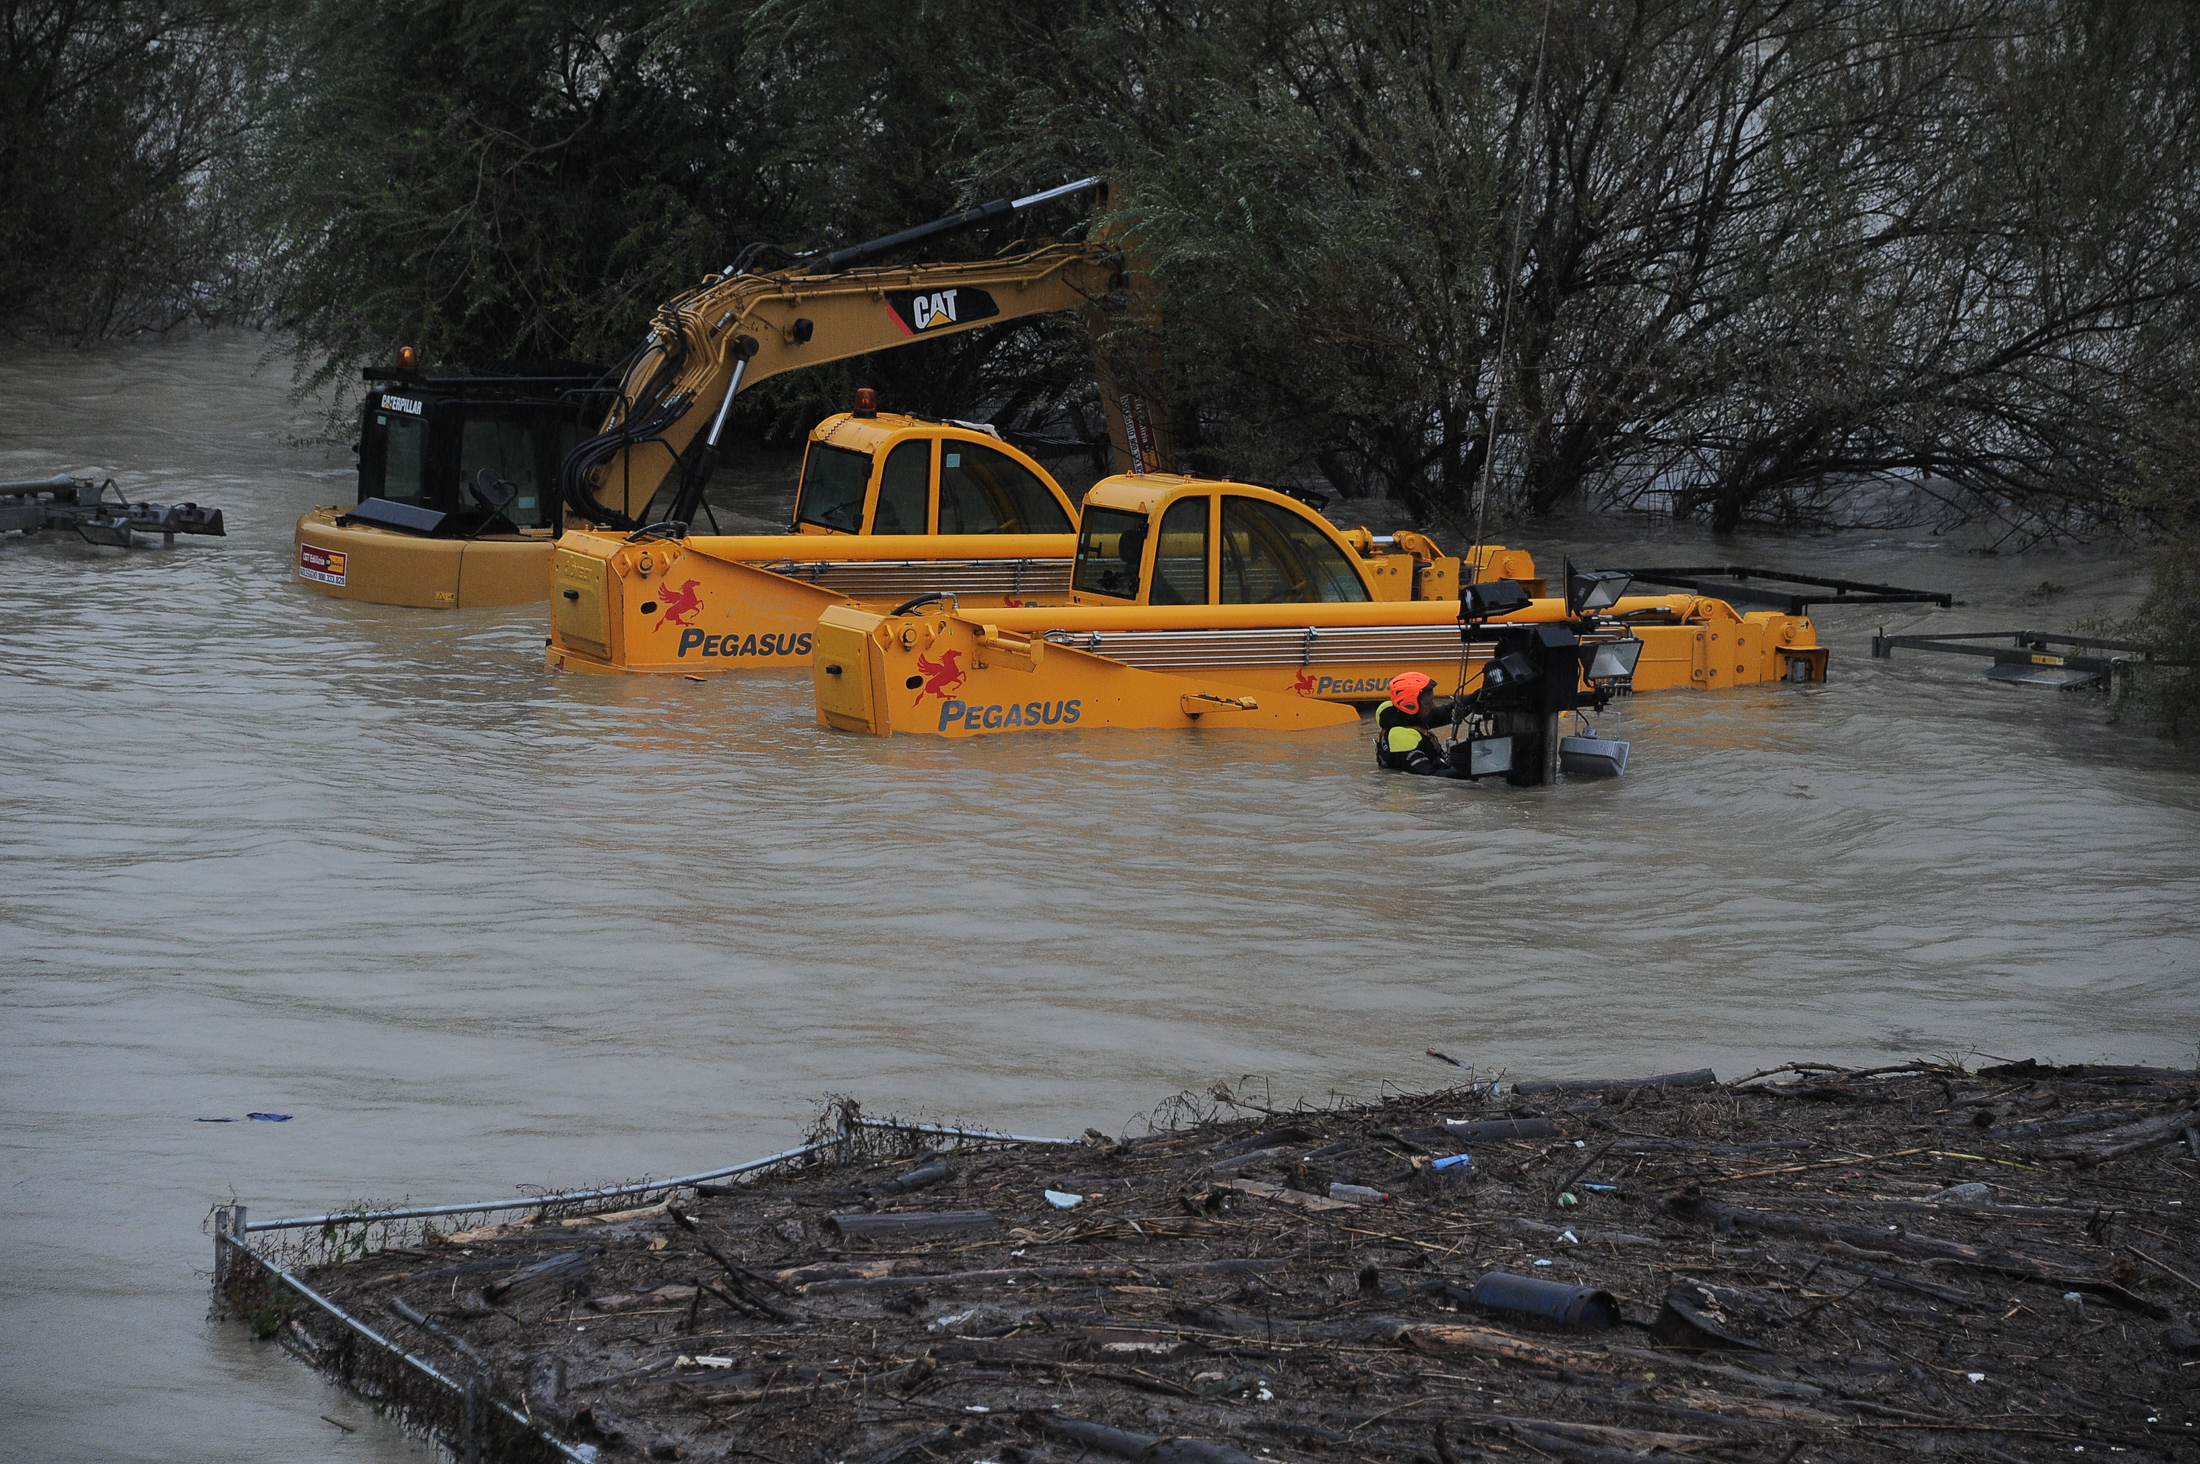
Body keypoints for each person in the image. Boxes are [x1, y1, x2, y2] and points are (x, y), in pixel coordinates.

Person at [1374, 672, 1462, 776]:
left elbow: (1446, 712)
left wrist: (1477, 698)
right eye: (1428, 703)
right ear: (1411, 706)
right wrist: (1470, 771)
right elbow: (1430, 777)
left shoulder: (1402, 717)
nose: (1433, 706)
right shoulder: (1402, 739)